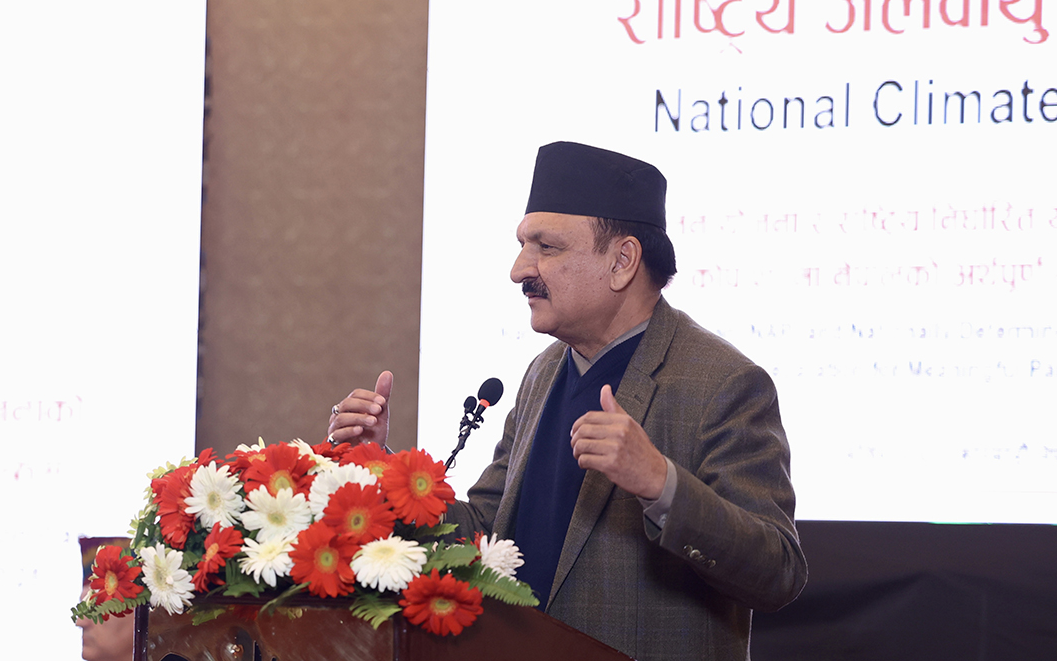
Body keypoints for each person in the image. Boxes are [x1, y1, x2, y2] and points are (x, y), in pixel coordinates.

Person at [327, 141, 807, 661]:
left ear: (623, 261)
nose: (519, 270)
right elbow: (486, 531)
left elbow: (778, 572)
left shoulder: (725, 382)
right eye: (522, 245)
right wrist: (380, 465)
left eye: (547, 248)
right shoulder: (543, 372)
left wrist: (660, 483)